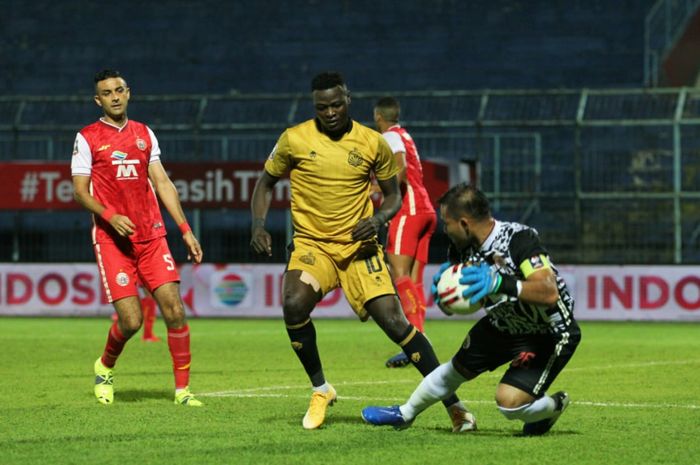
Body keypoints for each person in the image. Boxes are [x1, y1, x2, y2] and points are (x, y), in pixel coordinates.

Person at [250, 71, 475, 432]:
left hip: (359, 247)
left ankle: (455, 405)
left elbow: (393, 195)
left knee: (395, 322)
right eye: (322, 107)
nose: (331, 112)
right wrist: (258, 225)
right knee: (293, 303)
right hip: (312, 246)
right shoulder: (294, 139)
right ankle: (321, 389)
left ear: (348, 99)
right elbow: (265, 184)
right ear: (314, 106)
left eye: (337, 104)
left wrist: (381, 218)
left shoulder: (373, 143)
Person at [362, 184, 581, 435]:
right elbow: (459, 304)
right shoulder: (459, 248)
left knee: (508, 403)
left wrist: (500, 282)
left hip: (547, 332)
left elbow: (549, 292)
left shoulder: (518, 239)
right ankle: (405, 413)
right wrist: (445, 298)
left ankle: (553, 406)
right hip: (503, 324)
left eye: (447, 223)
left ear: (464, 223)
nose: (445, 230)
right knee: (456, 370)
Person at [72, 69, 204, 406]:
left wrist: (186, 230)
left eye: (119, 90)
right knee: (131, 320)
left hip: (152, 237)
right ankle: (105, 366)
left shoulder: (145, 134)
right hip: (113, 241)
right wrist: (110, 216)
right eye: (107, 93)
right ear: (97, 100)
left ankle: (183, 392)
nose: (114, 96)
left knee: (174, 310)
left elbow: (162, 184)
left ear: (128, 93)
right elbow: (79, 192)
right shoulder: (87, 137)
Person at [373, 97, 437, 368]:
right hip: (426, 209)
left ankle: (414, 341)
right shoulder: (405, 134)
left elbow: (399, 168)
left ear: (378, 117)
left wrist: (377, 190)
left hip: (408, 210)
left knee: (398, 274)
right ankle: (419, 341)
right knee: (414, 280)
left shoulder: (389, 137)